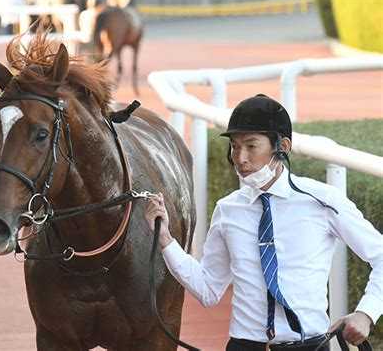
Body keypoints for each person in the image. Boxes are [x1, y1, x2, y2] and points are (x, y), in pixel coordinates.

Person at [143, 94, 382, 351]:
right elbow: (208, 290)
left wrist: (366, 313)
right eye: (234, 146)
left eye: (251, 146)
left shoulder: (322, 200)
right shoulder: (227, 210)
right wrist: (166, 239)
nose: (240, 157)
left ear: (283, 146)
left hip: (308, 346)